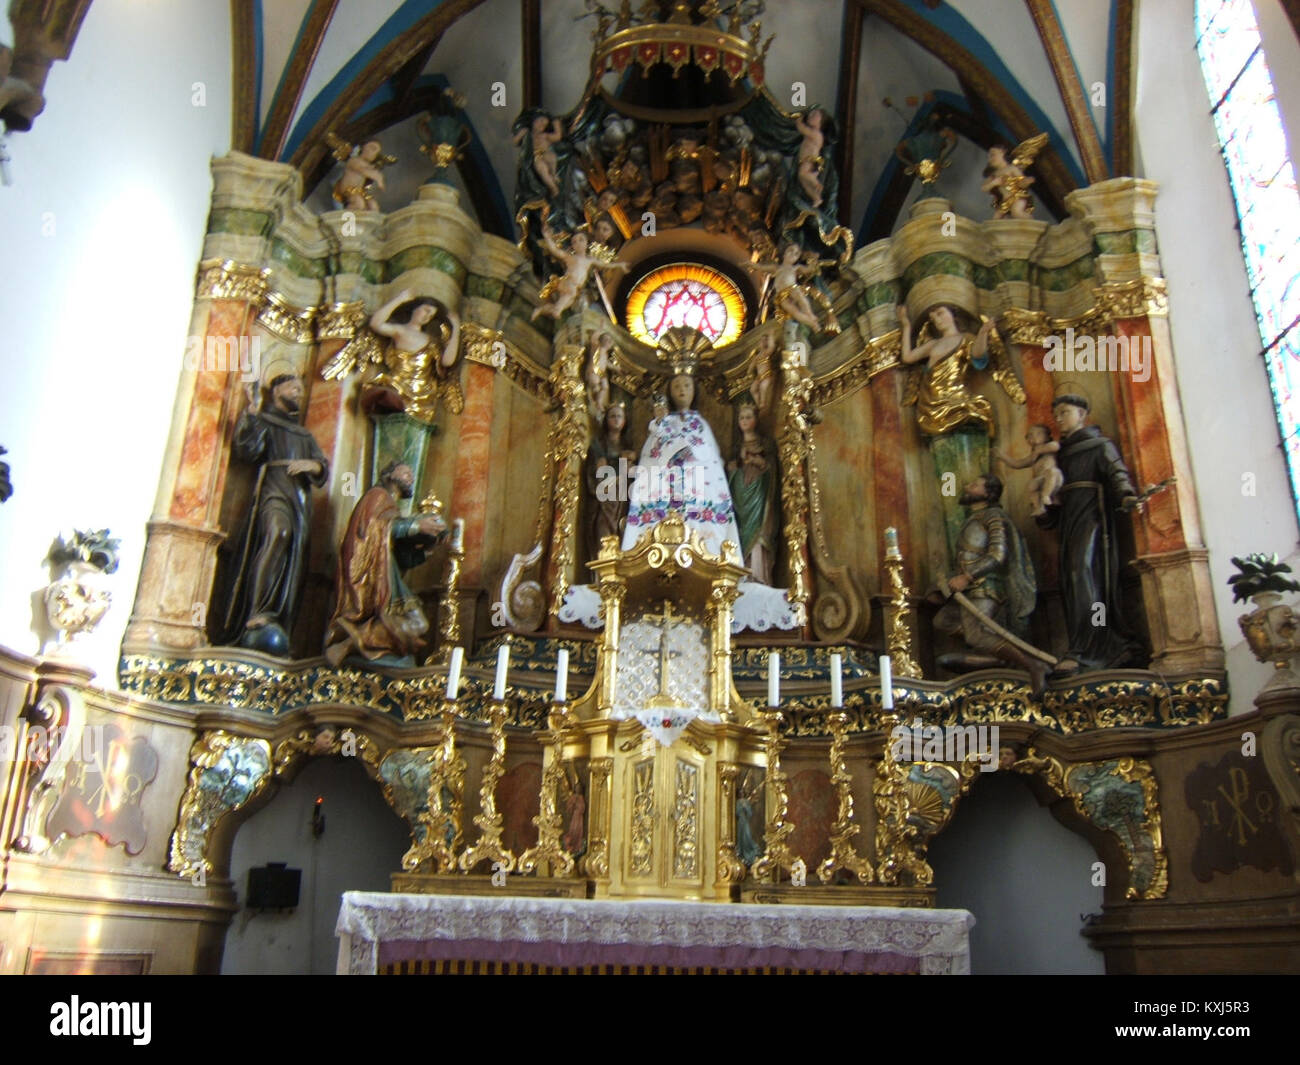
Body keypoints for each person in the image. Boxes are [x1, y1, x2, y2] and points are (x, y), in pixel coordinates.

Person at [1037, 389, 1144, 675]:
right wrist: (1045, 509)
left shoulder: (1099, 445)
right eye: (1056, 415)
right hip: (1070, 518)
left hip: (1093, 517)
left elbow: (1117, 473)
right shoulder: (1060, 453)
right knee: (1070, 580)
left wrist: (1126, 494)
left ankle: (1096, 644)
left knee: (1084, 572)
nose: (1059, 419)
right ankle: (1083, 643)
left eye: (1066, 413)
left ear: (1082, 415)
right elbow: (1052, 489)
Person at [221, 374, 329, 655]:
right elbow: (247, 449)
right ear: (277, 390)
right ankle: (256, 610)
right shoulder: (265, 421)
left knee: (292, 553)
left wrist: (310, 465)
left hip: (299, 498)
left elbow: (322, 467)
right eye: (293, 386)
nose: (299, 392)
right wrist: (252, 413)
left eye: (301, 388)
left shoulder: (304, 434)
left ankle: (277, 616)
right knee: (276, 534)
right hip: (273, 489)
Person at [931, 473, 1048, 695]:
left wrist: (967, 577)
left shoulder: (993, 517)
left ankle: (1033, 665)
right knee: (943, 620)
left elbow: (997, 555)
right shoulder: (975, 518)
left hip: (986, 587)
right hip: (970, 589)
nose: (967, 486)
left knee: (975, 634)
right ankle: (995, 658)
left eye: (974, 484)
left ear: (988, 493)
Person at [323, 462, 447, 668]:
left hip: (387, 577)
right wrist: (417, 524)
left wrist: (426, 550)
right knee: (415, 623)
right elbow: (374, 530)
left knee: (417, 624)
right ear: (388, 474)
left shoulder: (390, 505)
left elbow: (397, 553)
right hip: (371, 578)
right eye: (406, 471)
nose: (411, 477)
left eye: (412, 474)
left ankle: (349, 643)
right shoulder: (376, 496)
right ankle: (348, 645)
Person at [622, 372, 742, 558]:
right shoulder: (662, 422)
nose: (682, 390)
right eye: (677, 386)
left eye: (687, 385)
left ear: (695, 391)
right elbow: (652, 455)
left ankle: (707, 551)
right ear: (669, 392)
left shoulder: (700, 423)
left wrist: (691, 451)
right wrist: (660, 423)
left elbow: (709, 455)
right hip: (666, 486)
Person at [727, 401, 778, 585]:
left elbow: (771, 468)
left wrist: (758, 462)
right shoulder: (736, 446)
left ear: (756, 419)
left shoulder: (765, 444)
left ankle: (759, 575)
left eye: (749, 417)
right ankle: (743, 574)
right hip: (741, 494)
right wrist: (734, 468)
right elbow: (731, 470)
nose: (745, 421)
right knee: (741, 533)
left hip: (759, 492)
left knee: (759, 531)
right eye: (741, 417)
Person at [584, 401, 635, 572]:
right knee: (603, 532)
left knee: (622, 531)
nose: (616, 420)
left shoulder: (628, 445)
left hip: (622, 498)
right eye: (612, 416)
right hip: (605, 497)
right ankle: (602, 575)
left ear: (625, 421)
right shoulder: (599, 445)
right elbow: (595, 470)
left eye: (620, 416)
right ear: (606, 420)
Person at [997, 423, 1063, 515]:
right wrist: (1002, 457)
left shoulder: (1049, 447)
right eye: (1030, 435)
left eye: (1039, 433)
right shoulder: (1033, 456)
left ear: (1047, 437)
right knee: (1032, 485)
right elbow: (1018, 464)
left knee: (1051, 472)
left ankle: (1046, 496)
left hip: (1054, 479)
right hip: (1041, 480)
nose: (1033, 437)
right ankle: (1038, 507)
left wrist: (1039, 450)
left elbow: (1056, 446)